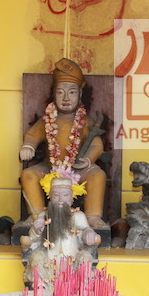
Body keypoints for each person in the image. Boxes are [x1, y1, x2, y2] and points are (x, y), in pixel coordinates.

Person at [19, 58, 108, 229]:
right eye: (60, 92)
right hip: (50, 167)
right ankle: (37, 215)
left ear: (80, 94)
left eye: (72, 92)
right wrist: (28, 146)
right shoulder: (47, 120)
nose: (66, 98)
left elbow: (97, 145)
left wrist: (88, 160)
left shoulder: (85, 121)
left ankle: (93, 216)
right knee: (28, 175)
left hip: (78, 169)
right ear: (54, 94)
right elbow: (32, 135)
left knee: (98, 175)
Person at [21, 177, 100, 288]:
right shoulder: (43, 216)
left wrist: (88, 233)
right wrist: (36, 230)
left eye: (65, 195)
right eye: (56, 195)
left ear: (72, 197)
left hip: (72, 262)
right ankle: (42, 290)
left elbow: (85, 231)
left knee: (85, 257)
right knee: (37, 257)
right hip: (48, 263)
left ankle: (80, 288)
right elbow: (32, 239)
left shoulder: (78, 216)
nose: (60, 199)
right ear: (50, 196)